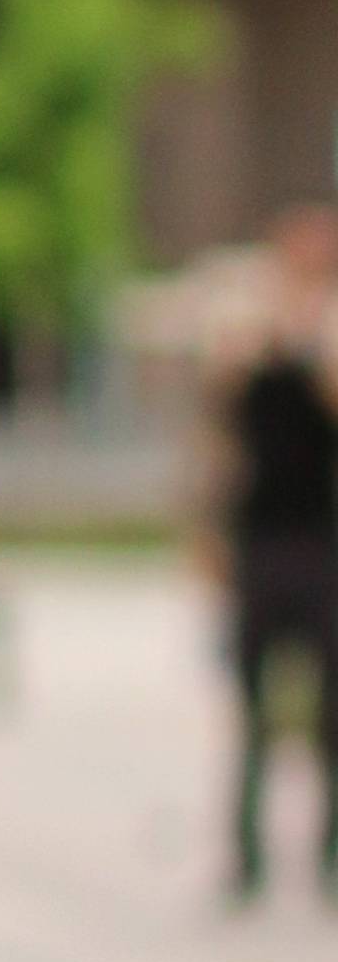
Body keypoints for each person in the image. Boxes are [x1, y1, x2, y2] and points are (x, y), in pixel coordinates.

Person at [203, 201, 338, 899]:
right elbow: (218, 427)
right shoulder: (245, 322)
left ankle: (330, 854)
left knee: (332, 709)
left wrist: (312, 335)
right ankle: (246, 855)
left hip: (325, 537)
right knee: (250, 706)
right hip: (259, 535)